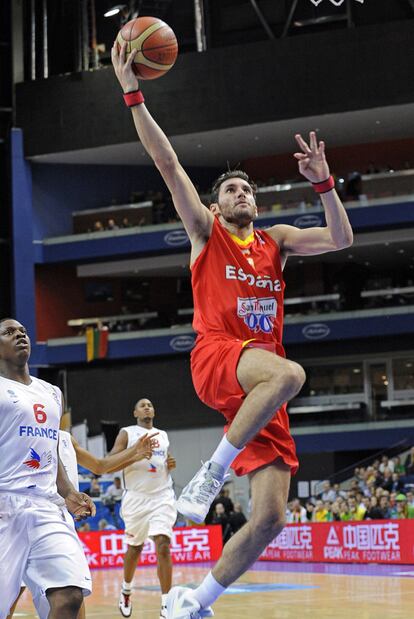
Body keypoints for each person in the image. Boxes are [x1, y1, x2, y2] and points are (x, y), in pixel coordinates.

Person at [112, 42, 353, 619]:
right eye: (230, 191)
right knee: (293, 371)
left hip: (263, 389)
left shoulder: (279, 241)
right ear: (216, 209)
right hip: (220, 357)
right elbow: (168, 164)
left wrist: (325, 185)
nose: (241, 194)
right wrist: (133, 94)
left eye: (247, 189)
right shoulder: (206, 234)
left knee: (271, 518)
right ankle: (209, 475)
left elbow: (343, 239)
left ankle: (194, 601)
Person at [8, 398, 155, 619]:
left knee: (72, 601)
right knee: (8, 602)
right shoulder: (18, 434)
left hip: (59, 524)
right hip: (23, 520)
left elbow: (100, 466)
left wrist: (135, 452)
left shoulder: (67, 439)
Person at [0, 318, 95, 619]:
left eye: (23, 331)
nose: (19, 336)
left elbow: (51, 451)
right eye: (9, 333)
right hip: (4, 506)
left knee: (69, 596)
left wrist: (67, 492)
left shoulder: (53, 393)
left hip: (45, 508)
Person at [109, 398, 177, 619]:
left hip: (162, 496)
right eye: (142, 405)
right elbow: (110, 462)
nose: (147, 407)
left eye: (150, 404)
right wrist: (135, 454)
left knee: (163, 544)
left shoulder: (163, 435)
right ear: (135, 412)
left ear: (154, 411)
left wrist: (169, 463)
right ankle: (126, 590)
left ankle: (167, 603)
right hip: (136, 499)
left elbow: (162, 461)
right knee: (135, 548)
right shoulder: (127, 433)